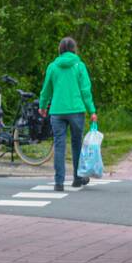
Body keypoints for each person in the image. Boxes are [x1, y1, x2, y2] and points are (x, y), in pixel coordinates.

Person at [39, 37, 97, 192]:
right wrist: (92, 110)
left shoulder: (53, 66)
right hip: (76, 110)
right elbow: (85, 90)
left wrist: (42, 106)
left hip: (57, 111)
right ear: (74, 49)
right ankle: (78, 179)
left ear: (60, 49)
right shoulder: (79, 66)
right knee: (77, 143)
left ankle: (59, 182)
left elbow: (46, 89)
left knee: (59, 145)